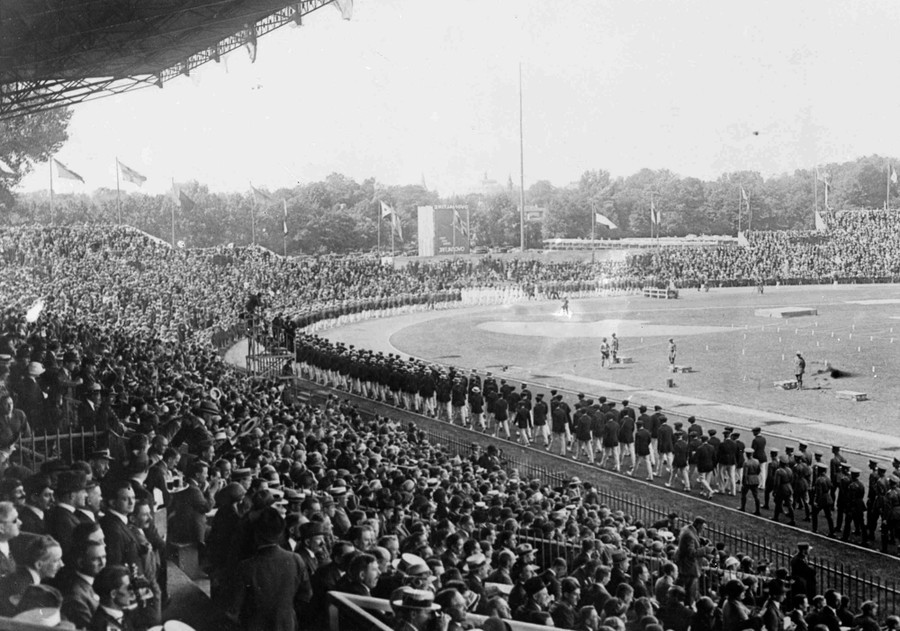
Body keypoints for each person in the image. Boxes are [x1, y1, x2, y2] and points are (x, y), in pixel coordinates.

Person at [229, 507, 312, 631]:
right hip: (287, 625)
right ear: (281, 533)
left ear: (256, 535)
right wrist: (286, 610)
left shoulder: (246, 567)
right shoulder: (296, 559)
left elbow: (234, 609)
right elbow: (306, 594)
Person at [89, 564, 136, 631]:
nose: (132, 593)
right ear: (113, 594)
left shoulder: (122, 616)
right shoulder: (101, 625)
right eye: (128, 588)